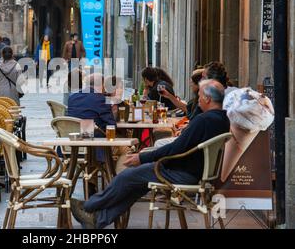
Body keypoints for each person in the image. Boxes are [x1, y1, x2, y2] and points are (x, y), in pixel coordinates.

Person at [70, 79, 230, 229]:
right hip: (195, 172)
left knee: (127, 176)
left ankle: (88, 206)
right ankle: (97, 220)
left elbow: (175, 148)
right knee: (136, 184)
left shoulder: (203, 120)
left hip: (181, 173)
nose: (198, 99)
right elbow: (179, 147)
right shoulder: (223, 120)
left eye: (200, 95)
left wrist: (142, 157)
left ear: (208, 99)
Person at [67, 73, 116, 195]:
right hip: (95, 146)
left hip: (74, 145)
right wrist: (113, 109)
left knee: (90, 137)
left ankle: (92, 183)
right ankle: (116, 185)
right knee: (125, 150)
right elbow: (111, 126)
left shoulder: (72, 97)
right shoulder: (100, 99)